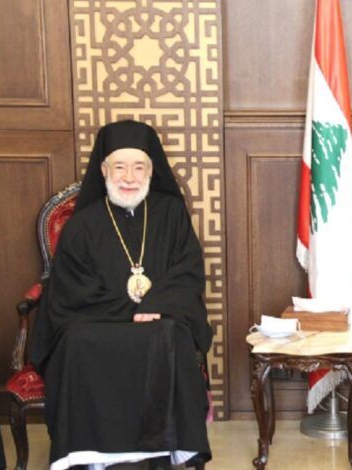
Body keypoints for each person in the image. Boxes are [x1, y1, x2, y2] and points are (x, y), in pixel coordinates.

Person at [30, 120, 212, 470]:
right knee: (75, 340)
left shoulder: (171, 214)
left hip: (158, 321)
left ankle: (164, 447)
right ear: (103, 170)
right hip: (98, 323)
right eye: (119, 167)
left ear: (151, 171)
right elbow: (71, 286)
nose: (129, 177)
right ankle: (90, 453)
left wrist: (155, 305)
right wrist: (130, 310)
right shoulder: (83, 223)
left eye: (138, 167)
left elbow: (187, 271)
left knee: (173, 334)